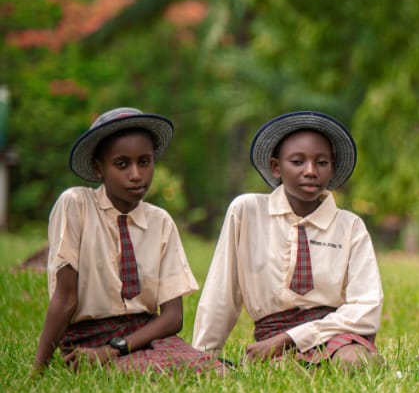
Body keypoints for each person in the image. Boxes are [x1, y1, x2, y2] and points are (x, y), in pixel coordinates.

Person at [33, 108, 221, 375]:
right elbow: (65, 299)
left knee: (215, 372)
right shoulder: (76, 205)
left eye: (144, 162)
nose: (136, 174)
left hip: (145, 335)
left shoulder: (161, 221)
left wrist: (117, 348)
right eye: (122, 164)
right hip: (89, 339)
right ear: (99, 168)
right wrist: (37, 371)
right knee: (153, 373)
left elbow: (172, 316)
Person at [192, 111, 383, 370]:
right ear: (276, 167)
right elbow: (222, 291)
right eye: (297, 161)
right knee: (284, 371)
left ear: (332, 168)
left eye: (322, 162)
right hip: (271, 339)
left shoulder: (350, 226)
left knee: (354, 361)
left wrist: (291, 339)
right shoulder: (247, 211)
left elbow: (366, 307)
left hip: (334, 332)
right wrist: (203, 356)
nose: (310, 171)